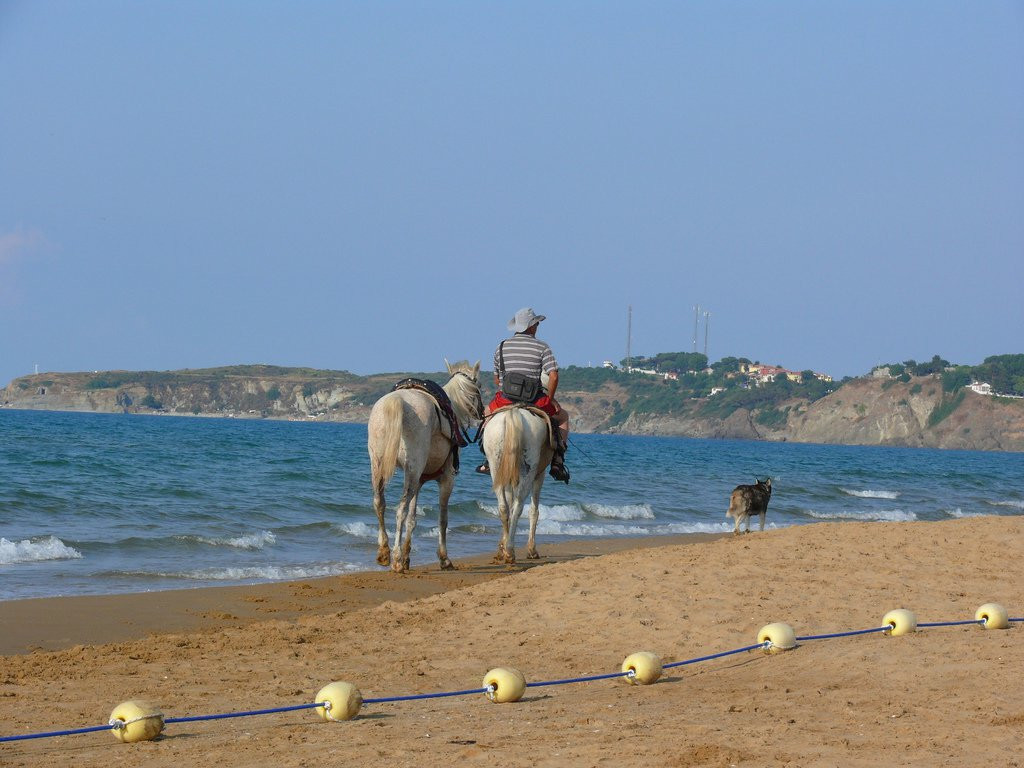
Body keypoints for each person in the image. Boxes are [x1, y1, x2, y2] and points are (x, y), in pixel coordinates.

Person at [476, 307, 571, 483]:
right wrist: (550, 399)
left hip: (505, 399)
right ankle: (558, 460)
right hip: (533, 399)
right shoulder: (543, 346)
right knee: (563, 417)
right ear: (532, 326)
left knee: (486, 415)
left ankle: (488, 459)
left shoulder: (501, 346)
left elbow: (497, 380)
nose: (537, 326)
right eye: (536, 323)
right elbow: (554, 376)